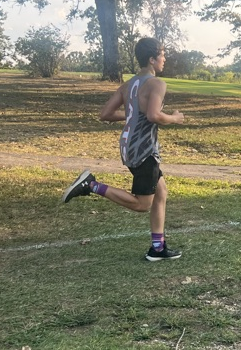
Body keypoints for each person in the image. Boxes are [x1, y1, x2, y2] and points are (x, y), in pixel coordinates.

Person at [61, 37, 185, 260]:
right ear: (151, 59)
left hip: (128, 145)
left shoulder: (128, 85)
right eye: (162, 55)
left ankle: (157, 248)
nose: (164, 59)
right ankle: (91, 185)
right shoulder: (157, 84)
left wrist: (131, 116)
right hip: (144, 149)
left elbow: (105, 114)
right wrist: (175, 118)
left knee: (161, 192)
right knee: (141, 204)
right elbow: (154, 115)